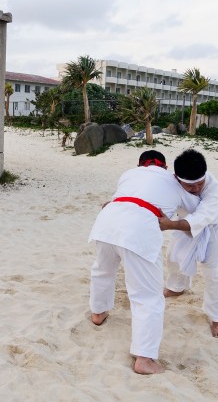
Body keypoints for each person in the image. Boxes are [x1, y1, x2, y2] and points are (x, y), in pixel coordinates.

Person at [88, 150, 199, 374]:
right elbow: (195, 204)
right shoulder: (173, 181)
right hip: (139, 227)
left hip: (107, 221)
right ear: (165, 167)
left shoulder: (129, 174)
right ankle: (145, 359)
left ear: (140, 165)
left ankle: (98, 313)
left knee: (103, 271)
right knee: (147, 296)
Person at [159, 149, 218, 339]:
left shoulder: (213, 186)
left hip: (213, 227)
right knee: (173, 257)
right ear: (177, 178)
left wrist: (170, 225)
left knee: (213, 271)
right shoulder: (170, 183)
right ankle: (176, 287)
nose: (197, 188)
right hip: (183, 225)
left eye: (200, 183)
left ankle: (217, 318)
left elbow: (202, 217)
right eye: (191, 186)